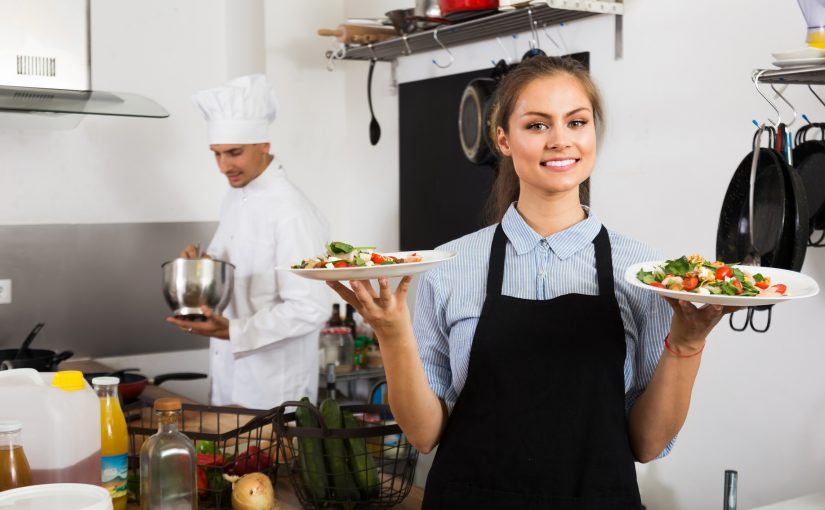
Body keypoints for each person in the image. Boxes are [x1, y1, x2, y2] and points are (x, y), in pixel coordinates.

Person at [328, 56, 737, 508]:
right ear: (503, 138)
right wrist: (392, 334)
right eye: (537, 125)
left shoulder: (643, 272)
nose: (561, 140)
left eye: (577, 122)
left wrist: (686, 343)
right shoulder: (451, 265)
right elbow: (424, 435)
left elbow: (646, 444)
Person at [167, 74, 330, 410]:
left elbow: (310, 307)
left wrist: (234, 331)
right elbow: (240, 268)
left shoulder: (291, 212)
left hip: (274, 390)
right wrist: (202, 268)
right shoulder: (236, 196)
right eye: (216, 154)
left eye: (234, 153)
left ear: (264, 145)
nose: (223, 166)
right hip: (229, 377)